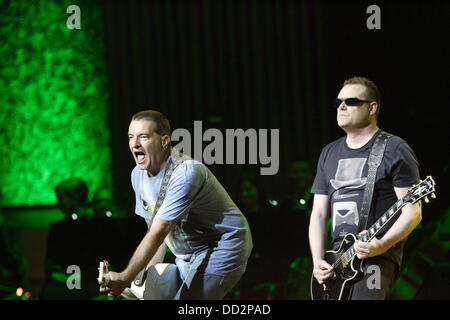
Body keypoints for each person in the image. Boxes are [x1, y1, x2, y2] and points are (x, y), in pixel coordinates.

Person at [101, 110, 253, 299]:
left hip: (223, 245)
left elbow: (159, 232)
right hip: (187, 253)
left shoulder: (186, 173)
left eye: (144, 137)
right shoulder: (137, 175)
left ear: (164, 141)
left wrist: (126, 276)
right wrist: (142, 282)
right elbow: (155, 234)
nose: (135, 144)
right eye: (131, 137)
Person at [308, 76, 422, 299]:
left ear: (372, 107)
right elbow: (319, 214)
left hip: (376, 259)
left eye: (351, 101)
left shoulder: (394, 148)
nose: (341, 106)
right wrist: (318, 261)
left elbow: (413, 211)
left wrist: (381, 245)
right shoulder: (328, 153)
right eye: (338, 102)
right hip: (336, 262)